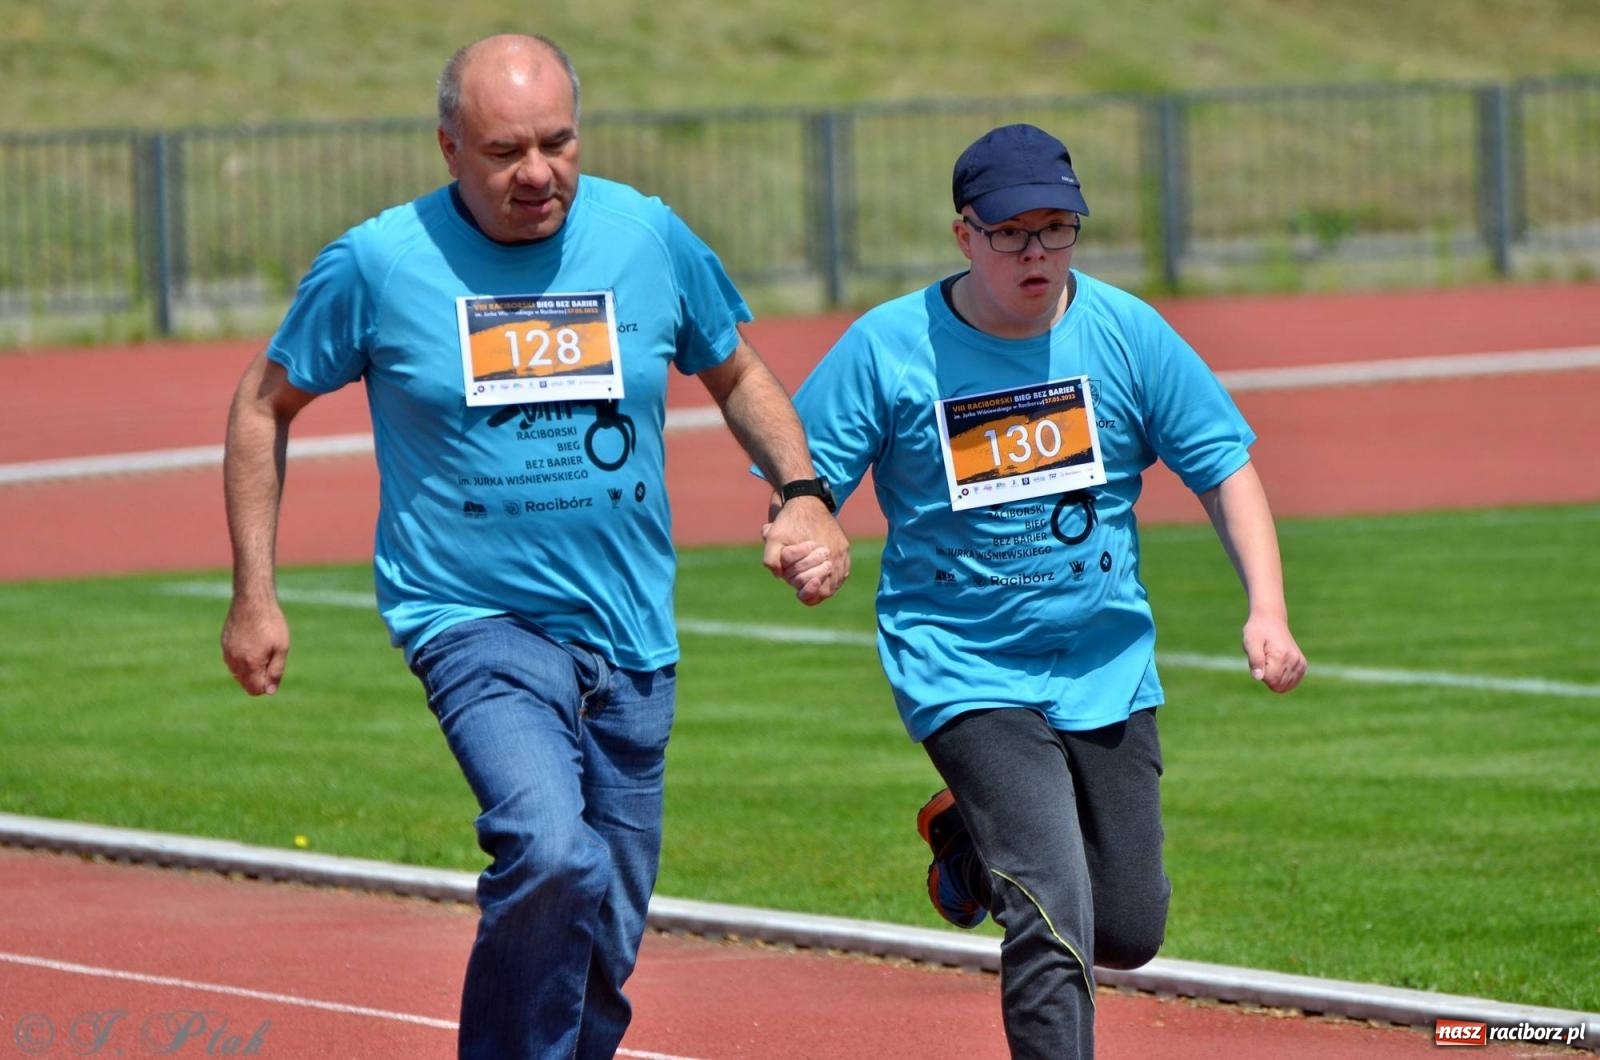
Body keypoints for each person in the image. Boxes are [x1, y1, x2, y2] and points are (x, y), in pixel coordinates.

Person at [219, 33, 848, 1060]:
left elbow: (734, 370)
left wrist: (804, 491)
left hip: (631, 631)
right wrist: (256, 591)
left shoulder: (645, 235)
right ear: (448, 148)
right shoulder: (380, 262)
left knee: (603, 923)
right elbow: (262, 402)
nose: (537, 172)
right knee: (551, 850)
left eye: (557, 142)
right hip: (472, 622)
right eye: (506, 150)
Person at [782, 123, 1306, 1059]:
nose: (1037, 253)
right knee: (1053, 909)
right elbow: (800, 479)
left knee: (1129, 929)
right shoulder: (891, 347)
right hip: (964, 667)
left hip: (1103, 663)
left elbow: (1226, 465)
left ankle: (969, 849)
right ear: (964, 237)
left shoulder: (1123, 331)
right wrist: (808, 531)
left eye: (1057, 229)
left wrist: (1266, 607)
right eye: (1012, 232)